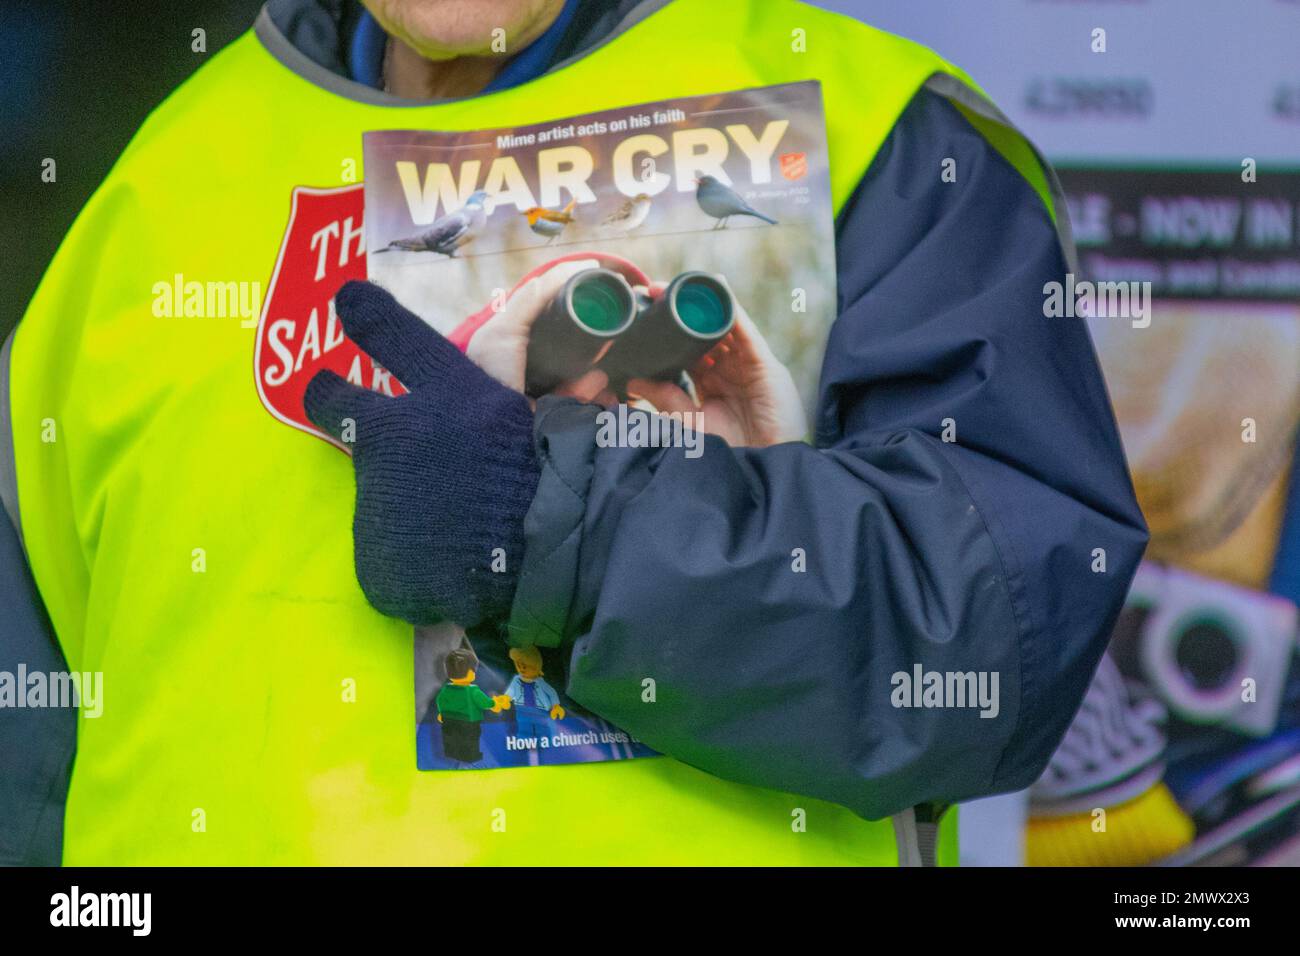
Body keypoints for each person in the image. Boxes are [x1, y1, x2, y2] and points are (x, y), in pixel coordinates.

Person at [1, 0, 1147, 866]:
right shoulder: (151, 188)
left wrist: (561, 523)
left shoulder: (880, 130)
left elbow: (999, 642)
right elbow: (39, 750)